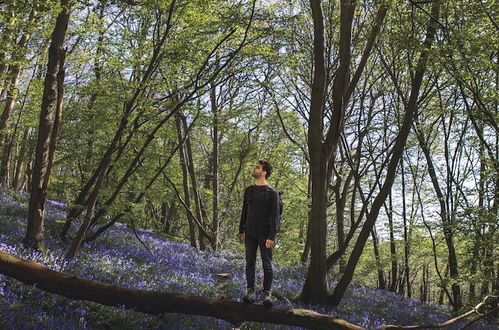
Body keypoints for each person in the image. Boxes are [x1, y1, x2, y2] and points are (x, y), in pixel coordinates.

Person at [239, 160, 279, 307]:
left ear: (264, 172)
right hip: (249, 233)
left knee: (267, 264)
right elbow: (244, 211)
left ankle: (267, 294)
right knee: (249, 263)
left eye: (257, 167)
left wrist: (272, 236)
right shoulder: (249, 190)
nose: (254, 169)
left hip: (265, 235)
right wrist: (241, 230)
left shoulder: (272, 193)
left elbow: (275, 217)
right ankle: (251, 292)